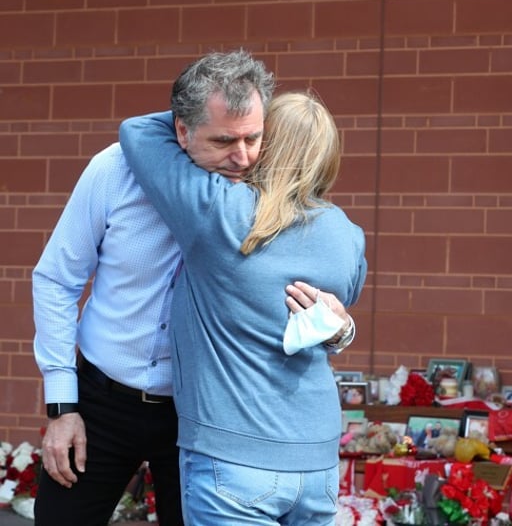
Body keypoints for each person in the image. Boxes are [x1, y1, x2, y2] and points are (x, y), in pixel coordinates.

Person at [31, 50, 346, 526]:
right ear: (180, 129)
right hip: (102, 399)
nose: (242, 156)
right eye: (223, 140)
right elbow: (57, 278)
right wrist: (62, 405)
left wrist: (340, 326)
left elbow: (313, 282)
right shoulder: (115, 169)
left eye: (253, 137)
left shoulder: (268, 193)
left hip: (201, 418)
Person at [118, 89, 367, 525]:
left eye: (255, 136)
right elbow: (344, 304)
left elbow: (137, 131)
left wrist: (225, 113)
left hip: (232, 455)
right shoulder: (347, 234)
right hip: (318, 460)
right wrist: (343, 330)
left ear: (266, 144)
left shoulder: (220, 211)